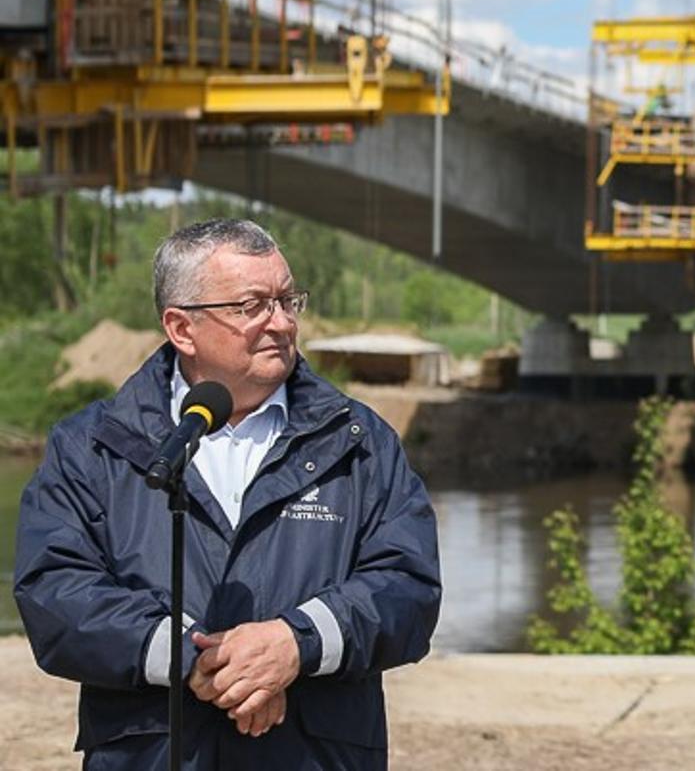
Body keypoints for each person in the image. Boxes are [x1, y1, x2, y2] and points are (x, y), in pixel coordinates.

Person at [14, 218, 442, 769]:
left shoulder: (359, 442)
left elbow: (409, 588)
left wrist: (296, 643)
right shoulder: (91, 446)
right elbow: (55, 592)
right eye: (251, 305)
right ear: (182, 328)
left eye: (289, 300)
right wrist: (192, 660)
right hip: (155, 753)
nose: (281, 322)